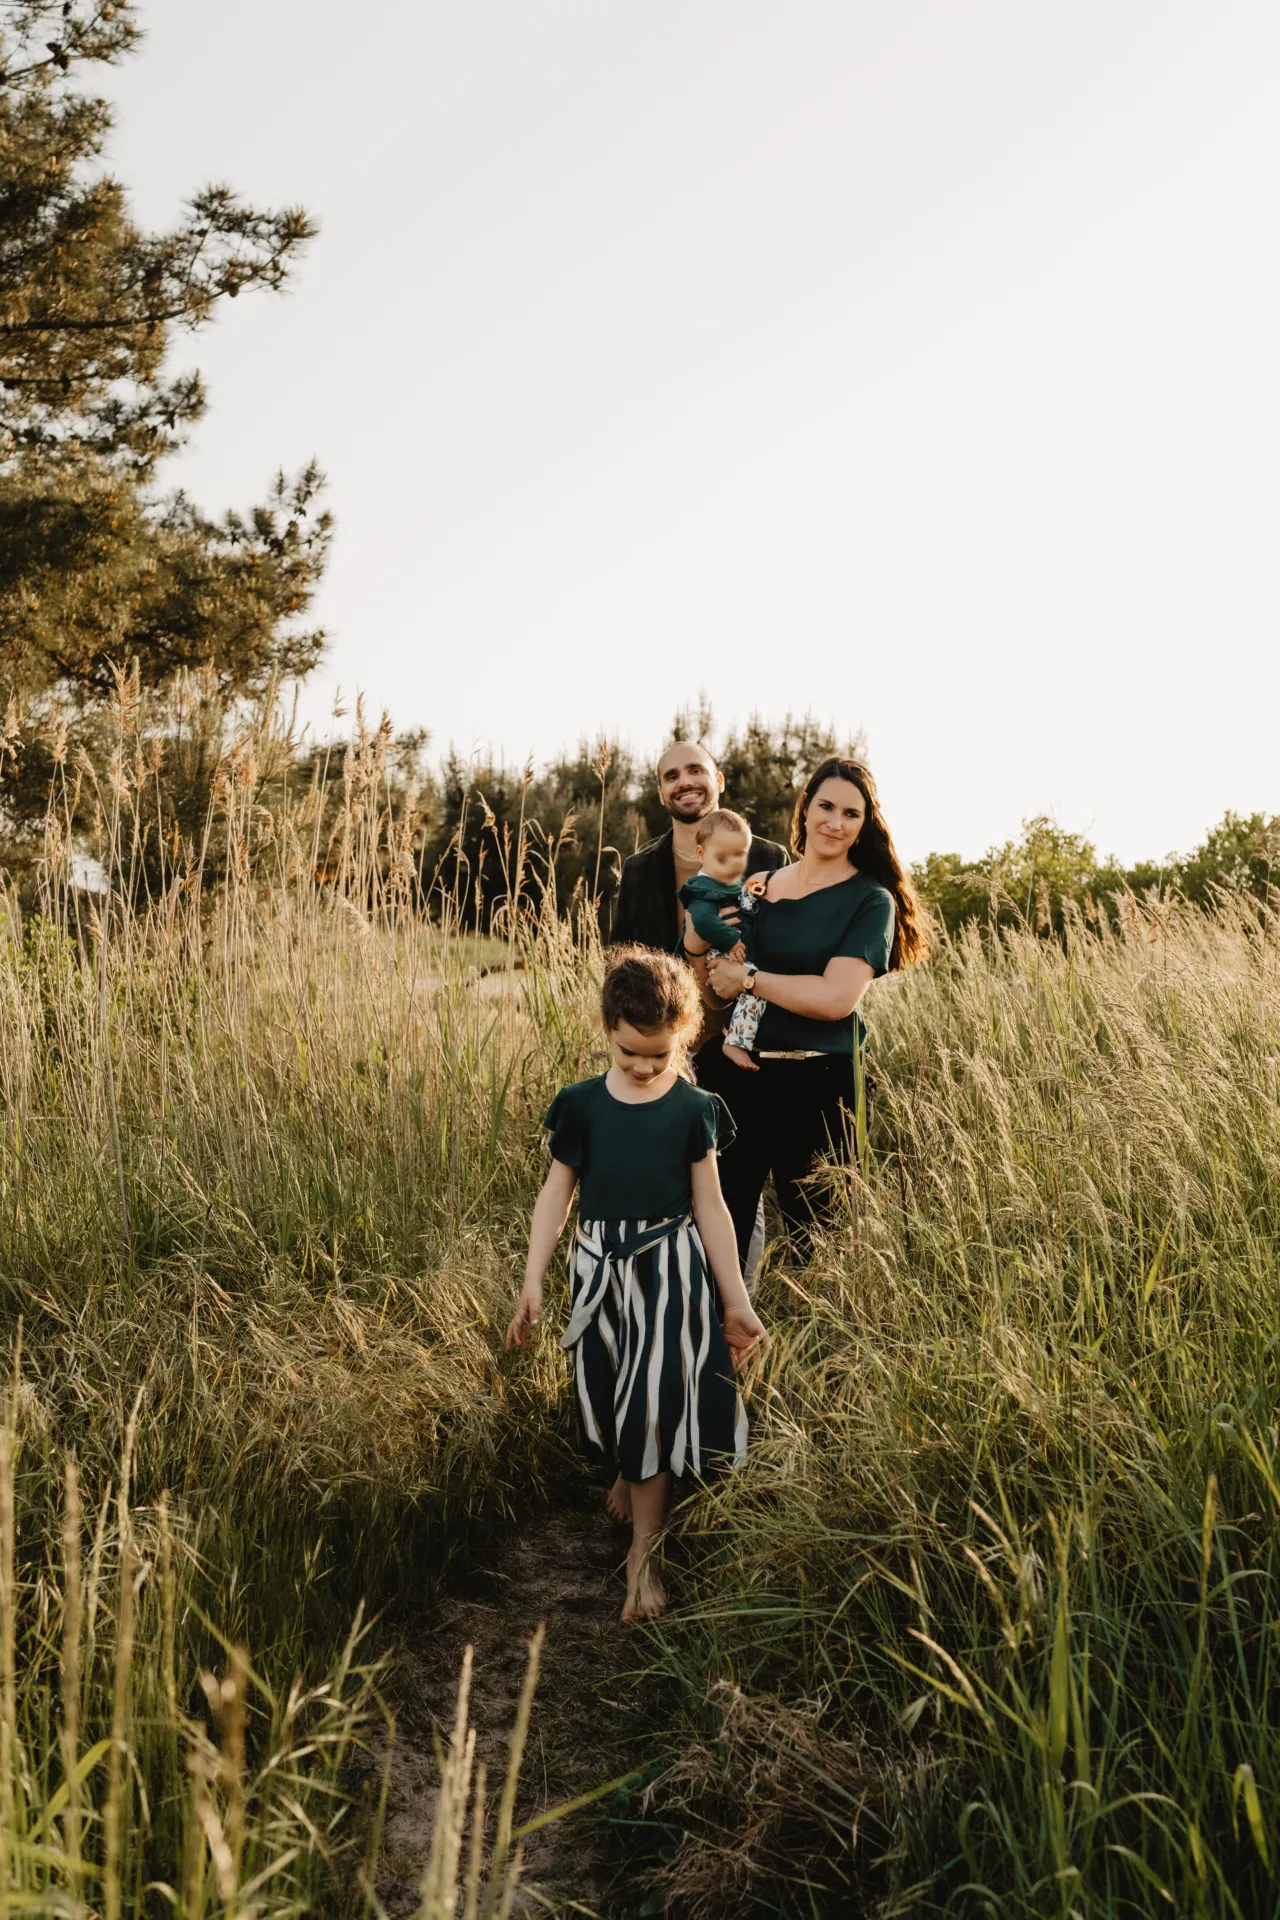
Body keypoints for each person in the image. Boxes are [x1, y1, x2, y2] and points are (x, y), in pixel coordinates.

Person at [505, 947, 767, 1623]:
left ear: (683, 1037)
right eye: (630, 1055)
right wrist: (532, 1282)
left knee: (652, 1401)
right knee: (605, 1387)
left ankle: (644, 1556)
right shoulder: (582, 1106)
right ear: (607, 1030)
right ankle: (627, 1467)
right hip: (596, 1269)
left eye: (660, 1054)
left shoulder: (695, 1108)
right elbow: (555, 1195)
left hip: (669, 1269)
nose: (646, 1068)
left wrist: (734, 1301)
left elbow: (712, 1205)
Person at [687, 757, 928, 1262]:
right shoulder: (757, 887)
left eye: (850, 813)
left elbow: (836, 999)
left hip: (819, 1086)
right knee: (715, 1236)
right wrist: (698, 951)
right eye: (825, 806)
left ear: (865, 825)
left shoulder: (870, 900)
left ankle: (810, 1342)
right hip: (740, 1077)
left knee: (817, 1249)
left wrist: (750, 978)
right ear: (805, 806)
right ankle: (722, 1335)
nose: (834, 823)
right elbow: (715, 994)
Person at [676, 808, 769, 1068]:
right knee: (755, 986)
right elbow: (704, 922)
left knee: (754, 987)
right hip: (715, 955)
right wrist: (732, 941)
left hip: (728, 950)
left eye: (739, 855)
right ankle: (736, 1041)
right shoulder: (703, 888)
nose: (733, 864)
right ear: (701, 855)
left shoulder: (727, 882)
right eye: (722, 857)